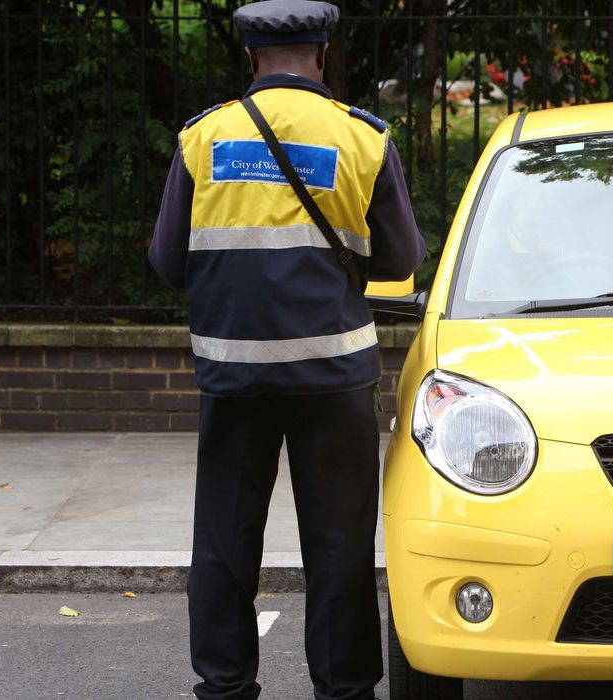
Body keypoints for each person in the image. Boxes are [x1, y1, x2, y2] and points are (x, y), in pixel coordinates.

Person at [147, 1, 424, 698]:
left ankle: (224, 686)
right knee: (338, 545)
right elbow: (400, 258)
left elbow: (167, 263)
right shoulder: (362, 140)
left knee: (222, 542)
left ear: (249, 57)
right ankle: (344, 688)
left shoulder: (202, 140)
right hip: (333, 380)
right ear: (323, 52)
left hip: (233, 375)